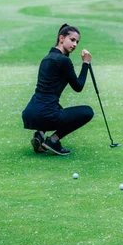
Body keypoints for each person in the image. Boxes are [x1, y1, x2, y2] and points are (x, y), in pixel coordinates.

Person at [22, 24, 94, 156]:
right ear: (61, 38)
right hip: (46, 114)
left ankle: (39, 134)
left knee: (55, 106)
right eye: (72, 40)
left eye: (77, 42)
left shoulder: (47, 58)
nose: (75, 44)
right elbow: (78, 87)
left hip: (30, 113)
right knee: (87, 112)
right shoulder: (63, 61)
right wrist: (85, 63)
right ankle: (53, 141)